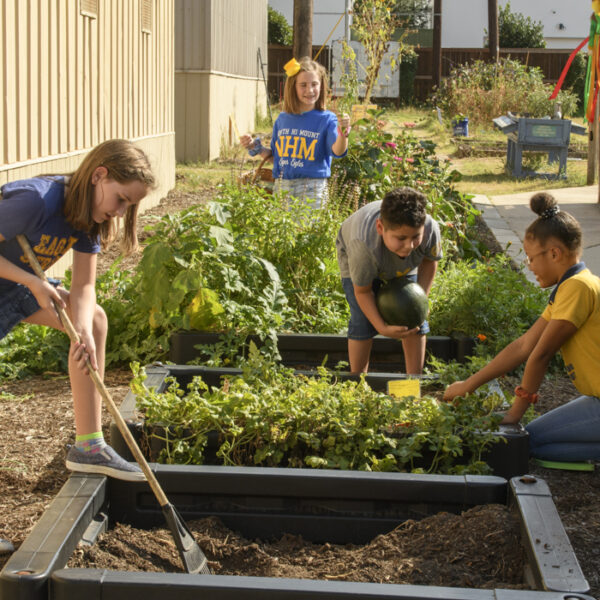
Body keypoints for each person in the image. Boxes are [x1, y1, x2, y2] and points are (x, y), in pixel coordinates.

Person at [0, 138, 156, 484]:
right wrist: (32, 282)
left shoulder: (87, 217)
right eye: (121, 200)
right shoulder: (34, 200)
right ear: (100, 175)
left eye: (128, 206)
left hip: (15, 287)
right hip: (18, 282)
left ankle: (88, 446)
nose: (120, 212)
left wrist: (81, 333)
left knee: (95, 320)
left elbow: (85, 285)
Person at [444, 192, 600, 463]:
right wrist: (468, 385)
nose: (529, 266)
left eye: (531, 258)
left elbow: (540, 354)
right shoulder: (570, 287)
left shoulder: (577, 287)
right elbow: (523, 345)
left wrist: (514, 413)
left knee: (524, 442)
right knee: (525, 442)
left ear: (554, 253)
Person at [336, 186, 443, 375]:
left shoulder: (429, 228)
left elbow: (429, 262)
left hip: (403, 265)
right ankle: (358, 382)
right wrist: (382, 327)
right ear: (380, 228)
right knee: (362, 321)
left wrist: (420, 301)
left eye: (415, 237)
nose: (409, 246)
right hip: (360, 255)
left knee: (413, 316)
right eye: (401, 238)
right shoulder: (362, 246)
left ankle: (414, 381)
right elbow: (363, 291)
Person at [240, 56, 351, 209]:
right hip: (282, 187)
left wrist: (343, 133)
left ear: (321, 86)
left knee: (308, 231)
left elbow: (337, 151)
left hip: (312, 189)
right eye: (303, 85)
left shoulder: (327, 119)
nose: (309, 90)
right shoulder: (283, 119)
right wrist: (254, 146)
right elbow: (276, 157)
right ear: (293, 87)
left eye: (314, 84)